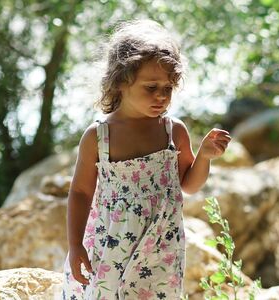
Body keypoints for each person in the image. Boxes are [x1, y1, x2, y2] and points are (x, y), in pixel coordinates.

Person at [61, 19, 231, 300]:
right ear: (120, 83)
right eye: (151, 87)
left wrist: (204, 156)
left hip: (162, 244)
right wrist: (75, 245)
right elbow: (80, 192)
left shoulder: (172, 131)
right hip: (111, 242)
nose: (162, 96)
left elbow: (188, 184)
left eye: (168, 88)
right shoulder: (99, 137)